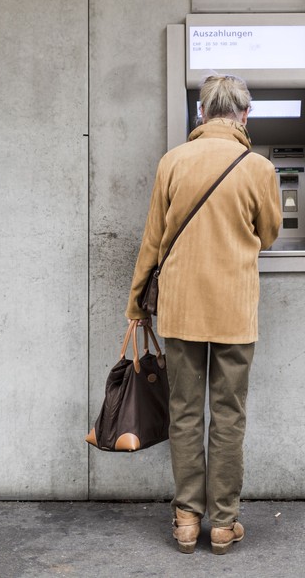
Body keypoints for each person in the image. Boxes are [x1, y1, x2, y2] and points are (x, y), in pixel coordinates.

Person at [125, 74, 282, 554]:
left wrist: (136, 303)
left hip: (182, 309)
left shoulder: (172, 162)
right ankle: (224, 523)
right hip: (234, 309)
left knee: (185, 413)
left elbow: (153, 240)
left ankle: (187, 519)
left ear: (200, 113)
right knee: (228, 415)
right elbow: (270, 233)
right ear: (244, 115)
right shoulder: (259, 168)